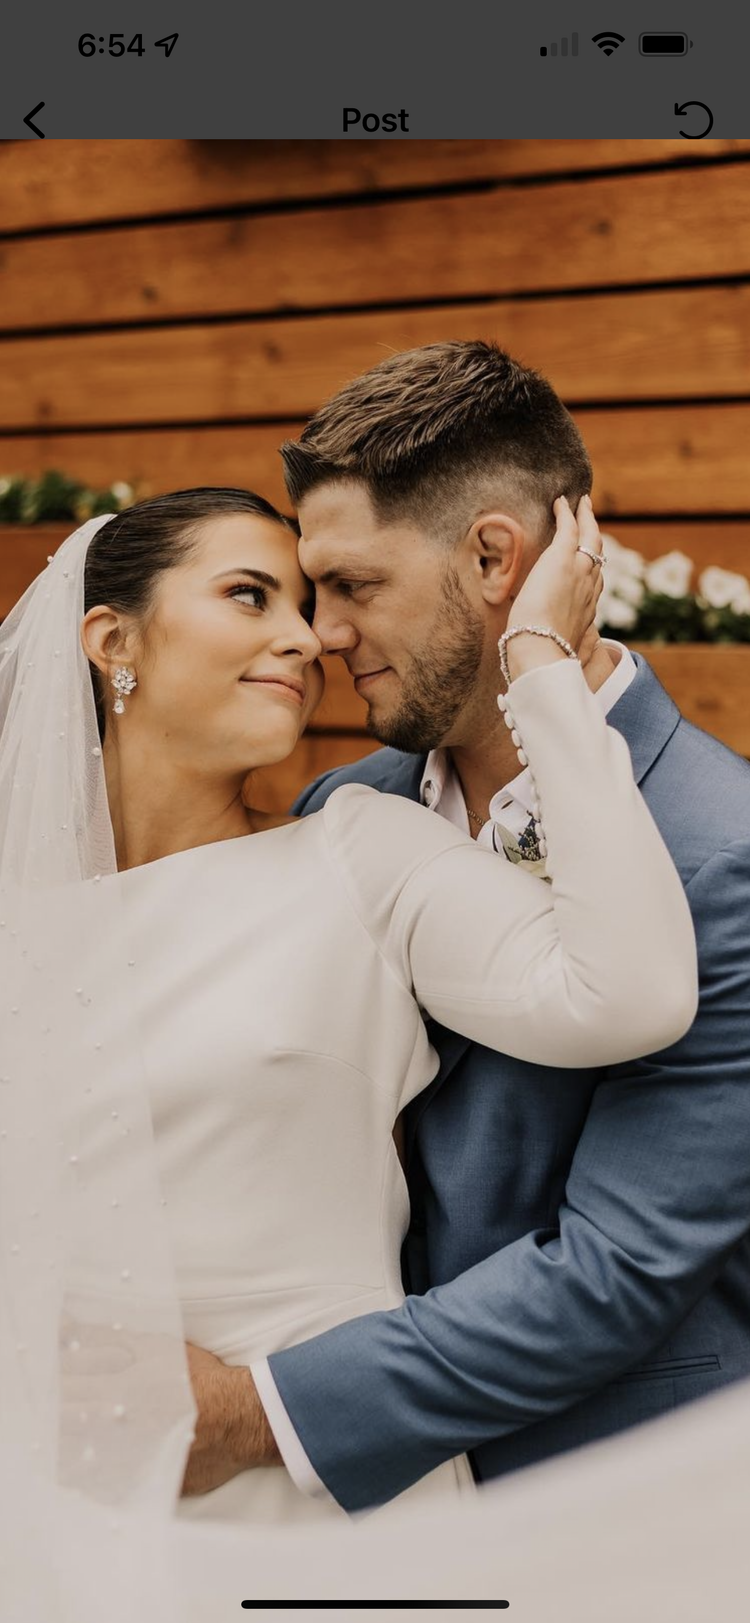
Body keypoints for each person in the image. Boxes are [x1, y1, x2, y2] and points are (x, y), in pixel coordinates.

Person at [0, 481, 696, 1566]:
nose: (307, 638)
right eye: (251, 595)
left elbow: (631, 994)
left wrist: (542, 672)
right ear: (111, 637)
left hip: (317, 1503)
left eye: (312, 604)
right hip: (64, 1501)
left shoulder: (356, 855)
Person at [191, 340, 750, 1515]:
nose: (321, 635)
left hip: (620, 1505)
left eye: (352, 586)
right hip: (366, 1517)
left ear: (496, 558)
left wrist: (256, 1411)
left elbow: (619, 1268)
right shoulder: (349, 809)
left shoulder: (723, 849)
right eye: (309, 592)